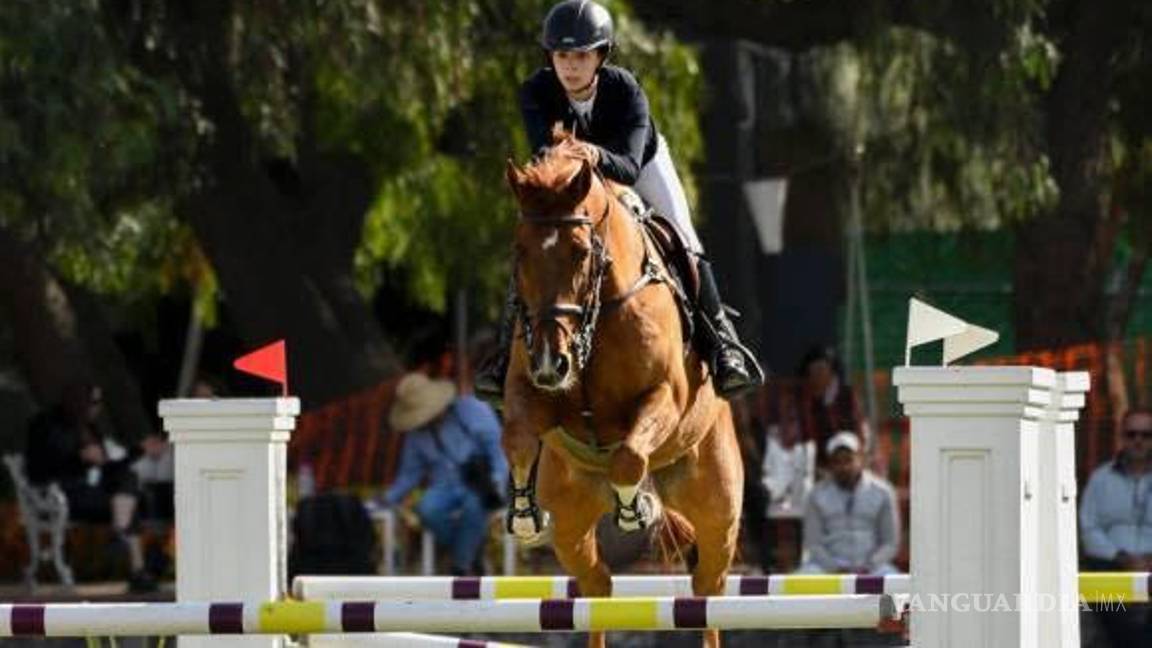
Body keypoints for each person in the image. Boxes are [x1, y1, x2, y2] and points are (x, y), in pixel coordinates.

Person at [475, 0, 764, 403]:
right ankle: (504, 354)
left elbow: (627, 166)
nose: (570, 66)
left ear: (601, 56)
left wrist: (593, 154)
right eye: (562, 55)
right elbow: (546, 155)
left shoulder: (625, 88)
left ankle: (723, 347)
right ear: (550, 57)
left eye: (581, 55)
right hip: (576, 179)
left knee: (685, 238)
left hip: (641, 166)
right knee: (538, 249)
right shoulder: (536, 92)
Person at [24, 382, 156, 591]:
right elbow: (39, 467)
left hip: (92, 493)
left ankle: (122, 536)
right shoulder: (48, 424)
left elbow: (107, 468)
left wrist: (138, 451)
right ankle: (136, 566)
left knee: (128, 480)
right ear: (79, 401)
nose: (98, 407)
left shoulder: (89, 428)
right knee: (129, 503)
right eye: (94, 402)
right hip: (62, 495)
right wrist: (78, 456)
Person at [382, 372, 509, 575]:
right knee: (427, 509)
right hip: (443, 487)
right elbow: (409, 475)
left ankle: (459, 568)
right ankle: (470, 554)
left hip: (481, 482)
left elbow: (497, 449)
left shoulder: (472, 410)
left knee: (475, 505)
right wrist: (387, 499)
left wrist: (497, 481)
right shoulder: (416, 435)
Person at [1079, 408, 1152, 645]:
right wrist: (1122, 558)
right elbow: (1089, 528)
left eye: (1145, 434)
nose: (1138, 441)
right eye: (1132, 434)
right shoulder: (1101, 479)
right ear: (1122, 437)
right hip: (1110, 568)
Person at [797, 432, 901, 575]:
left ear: (861, 459)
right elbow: (813, 543)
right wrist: (835, 568)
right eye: (837, 461)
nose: (843, 466)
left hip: (872, 566)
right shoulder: (816, 495)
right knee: (803, 580)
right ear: (830, 464)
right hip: (828, 567)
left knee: (897, 585)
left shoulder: (883, 492)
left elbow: (890, 543)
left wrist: (869, 566)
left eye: (848, 460)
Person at [794, 345, 871, 469]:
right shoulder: (804, 399)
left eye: (821, 369)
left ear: (831, 370)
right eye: (813, 371)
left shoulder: (848, 396)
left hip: (850, 463)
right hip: (817, 466)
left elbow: (860, 429)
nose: (817, 375)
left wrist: (858, 459)